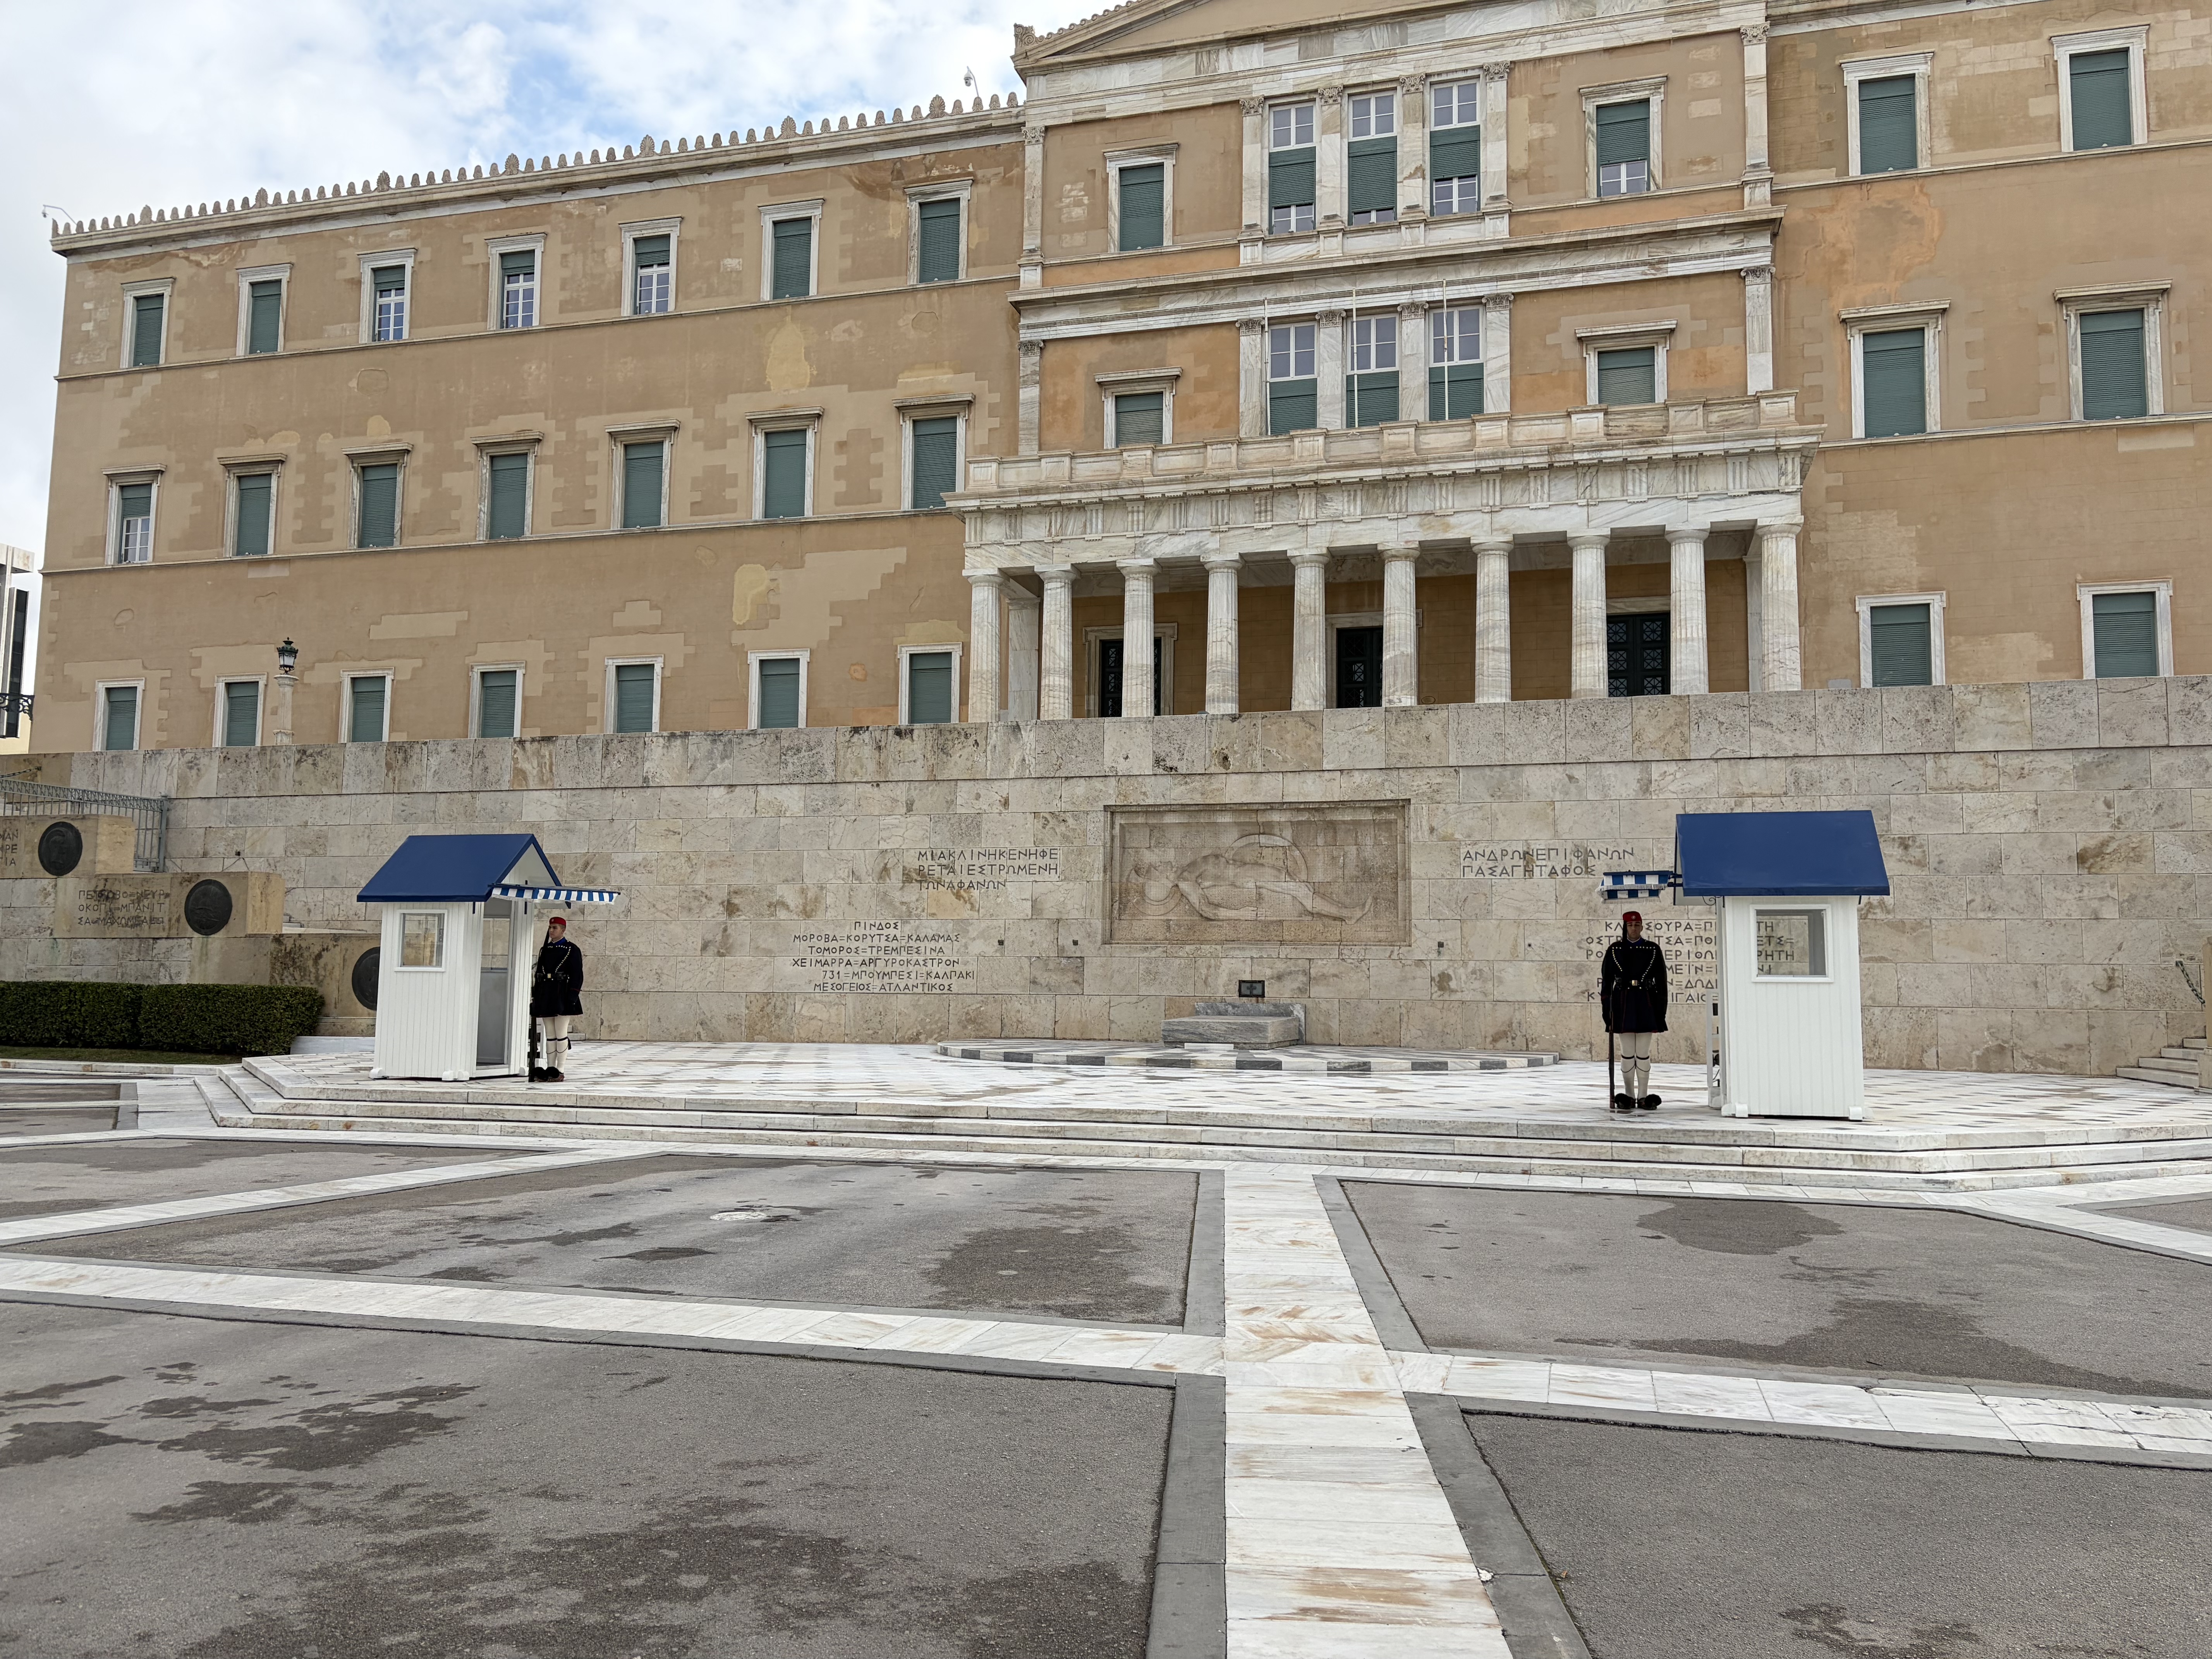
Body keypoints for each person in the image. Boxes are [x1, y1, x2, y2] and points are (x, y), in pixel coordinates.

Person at [1601, 910, 1667, 1113]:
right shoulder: (1615, 950)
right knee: (1628, 1053)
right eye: (1630, 925)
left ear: (1642, 927)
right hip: (1623, 1003)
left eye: (1637, 925)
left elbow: (1662, 984)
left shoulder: (1653, 949)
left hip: (1646, 1003)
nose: (1634, 928)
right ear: (1625, 927)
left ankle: (1643, 1096)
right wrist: (1607, 1011)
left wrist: (1661, 1011)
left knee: (1643, 1053)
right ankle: (1629, 1095)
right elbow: (1607, 983)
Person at [529, 915, 584, 1082]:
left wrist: (572, 996)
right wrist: (536, 995)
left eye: (555, 928)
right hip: (547, 994)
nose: (551, 931)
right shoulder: (544, 950)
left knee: (561, 1034)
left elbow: (577, 976)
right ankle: (550, 1068)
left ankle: (560, 1070)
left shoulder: (572, 949)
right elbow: (539, 974)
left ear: (563, 930)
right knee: (550, 1035)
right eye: (550, 928)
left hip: (563, 994)